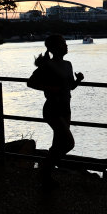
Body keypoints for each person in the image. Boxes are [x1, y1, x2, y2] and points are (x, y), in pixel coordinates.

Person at [27, 34, 83, 189]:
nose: (66, 46)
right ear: (53, 48)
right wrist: (50, 88)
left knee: (58, 143)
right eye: (63, 44)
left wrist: (78, 80)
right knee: (68, 143)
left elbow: (70, 86)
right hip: (53, 107)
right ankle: (43, 170)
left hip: (66, 108)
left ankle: (46, 177)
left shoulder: (68, 64)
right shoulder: (47, 65)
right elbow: (31, 82)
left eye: (65, 43)